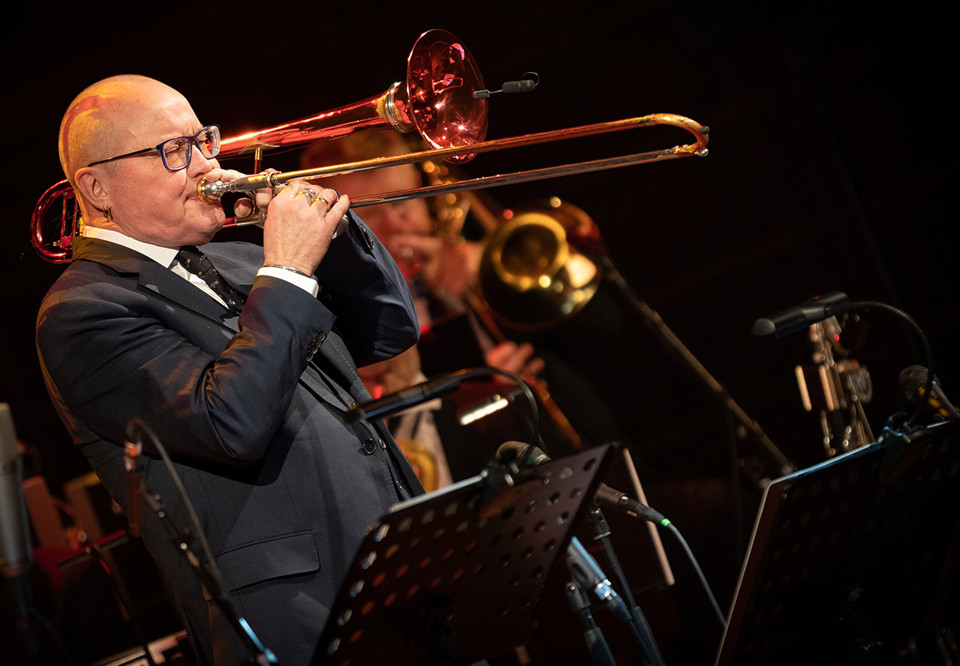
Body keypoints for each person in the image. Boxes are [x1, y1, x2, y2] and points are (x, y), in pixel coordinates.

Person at [36, 75, 424, 665]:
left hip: (400, 571)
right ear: (97, 186)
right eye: (172, 151)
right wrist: (290, 269)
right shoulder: (82, 312)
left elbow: (389, 330)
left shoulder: (242, 259)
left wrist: (332, 233)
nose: (203, 165)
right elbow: (230, 423)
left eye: (203, 141)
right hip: (297, 619)